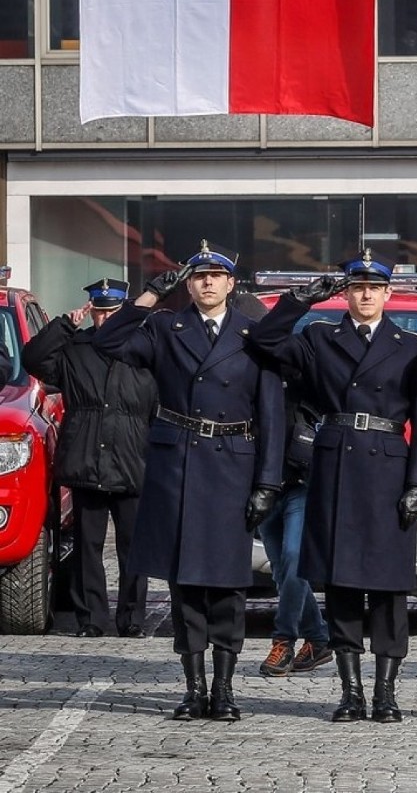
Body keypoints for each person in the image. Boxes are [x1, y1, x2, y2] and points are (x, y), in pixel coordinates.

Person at [94, 241, 284, 724]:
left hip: (232, 467)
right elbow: (107, 343)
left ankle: (224, 688)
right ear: (188, 283)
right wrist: (149, 296)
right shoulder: (165, 327)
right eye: (197, 277)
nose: (206, 284)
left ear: (230, 283)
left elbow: (272, 414)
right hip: (178, 464)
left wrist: (267, 480)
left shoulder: (253, 333)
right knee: (185, 586)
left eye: (215, 277)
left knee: (227, 587)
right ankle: (193, 687)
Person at [248, 250, 417, 724]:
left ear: (388, 292)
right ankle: (352, 692)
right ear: (347, 293)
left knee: (390, 591)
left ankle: (386, 693)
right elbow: (265, 341)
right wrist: (296, 302)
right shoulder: (318, 337)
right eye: (357, 287)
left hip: (389, 470)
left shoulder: (411, 345)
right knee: (344, 585)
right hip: (336, 468)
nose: (366, 294)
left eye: (374, 287)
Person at [21, 278, 158, 639]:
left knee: (134, 548)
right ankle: (91, 619)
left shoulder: (146, 348)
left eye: (112, 312)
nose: (103, 319)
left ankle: (132, 619)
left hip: (132, 456)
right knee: (87, 547)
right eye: (98, 312)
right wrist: (65, 324)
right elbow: (33, 359)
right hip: (86, 456)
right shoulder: (75, 347)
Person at [257, 371, 332, 678]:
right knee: (282, 570)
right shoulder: (252, 370)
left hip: (300, 484)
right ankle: (317, 638)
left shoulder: (304, 370)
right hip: (263, 486)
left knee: (293, 558)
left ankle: (284, 640)